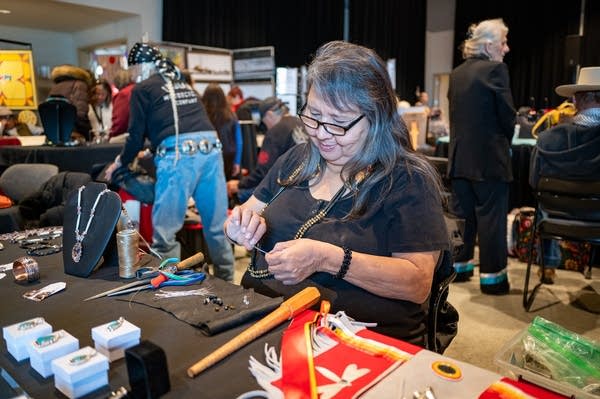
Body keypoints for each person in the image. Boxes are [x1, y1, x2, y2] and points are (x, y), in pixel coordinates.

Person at [223, 40, 449, 344]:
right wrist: (239, 225)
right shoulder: (297, 159)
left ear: (376, 118)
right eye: (314, 116)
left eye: (339, 124)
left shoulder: (407, 180)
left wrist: (328, 259)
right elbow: (248, 209)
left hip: (357, 343)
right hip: (268, 322)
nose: (321, 133)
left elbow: (417, 282)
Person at [104, 43, 234, 281]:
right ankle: (229, 284)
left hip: (178, 155)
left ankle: (166, 285)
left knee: (165, 234)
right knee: (216, 228)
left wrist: (118, 164)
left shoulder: (142, 88)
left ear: (140, 67)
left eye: (132, 69)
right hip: (210, 149)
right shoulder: (182, 84)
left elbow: (135, 136)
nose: (131, 75)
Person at [447, 18, 516, 295]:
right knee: (491, 220)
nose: (506, 48)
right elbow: (507, 117)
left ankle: (460, 269)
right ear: (489, 46)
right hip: (490, 161)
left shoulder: (457, 73)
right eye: (503, 43)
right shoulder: (496, 70)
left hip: (460, 158)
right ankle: (493, 280)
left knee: (463, 217)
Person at [529, 66, 600, 284]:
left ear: (579, 100)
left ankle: (548, 264)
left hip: (554, 219)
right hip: (596, 222)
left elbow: (534, 181)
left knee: (543, 203)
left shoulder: (547, 138)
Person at [226, 97, 307, 202]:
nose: (266, 127)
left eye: (264, 122)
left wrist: (240, 184)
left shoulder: (275, 132)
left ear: (269, 115)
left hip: (287, 189)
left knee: (242, 193)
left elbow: (262, 173)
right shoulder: (301, 123)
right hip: (306, 184)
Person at [201, 83, 242, 179]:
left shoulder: (203, 116)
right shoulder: (231, 115)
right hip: (229, 155)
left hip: (208, 155)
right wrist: (237, 162)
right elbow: (239, 141)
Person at [48, 64, 93, 141]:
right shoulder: (80, 84)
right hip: (73, 131)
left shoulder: (55, 86)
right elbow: (81, 112)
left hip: (55, 130)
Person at [110, 69, 135, 139]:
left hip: (130, 135)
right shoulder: (138, 89)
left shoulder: (123, 95)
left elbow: (120, 122)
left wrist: (111, 135)